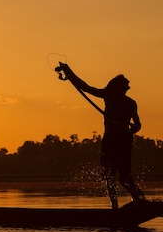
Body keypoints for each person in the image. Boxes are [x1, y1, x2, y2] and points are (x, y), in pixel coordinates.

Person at [56, 62, 145, 209]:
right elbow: (85, 87)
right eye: (124, 88)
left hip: (123, 141)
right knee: (109, 176)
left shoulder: (130, 103)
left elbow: (138, 124)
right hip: (109, 141)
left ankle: (137, 199)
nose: (126, 91)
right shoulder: (107, 95)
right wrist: (68, 71)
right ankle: (114, 207)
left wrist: (134, 128)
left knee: (124, 177)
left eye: (126, 89)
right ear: (117, 88)